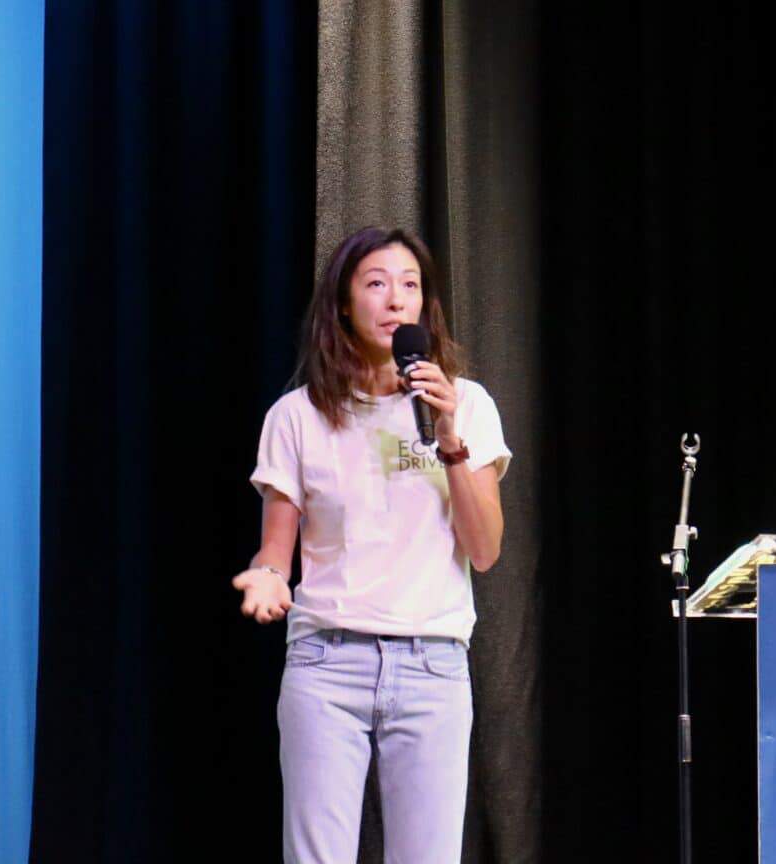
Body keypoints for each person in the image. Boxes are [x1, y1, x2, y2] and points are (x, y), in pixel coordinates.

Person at [233, 226, 510, 863]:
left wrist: (449, 437)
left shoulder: (466, 404)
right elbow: (276, 549)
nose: (395, 299)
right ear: (342, 304)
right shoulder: (297, 416)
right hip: (327, 663)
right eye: (377, 284)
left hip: (432, 664)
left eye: (409, 285)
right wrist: (268, 575)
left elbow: (485, 550)